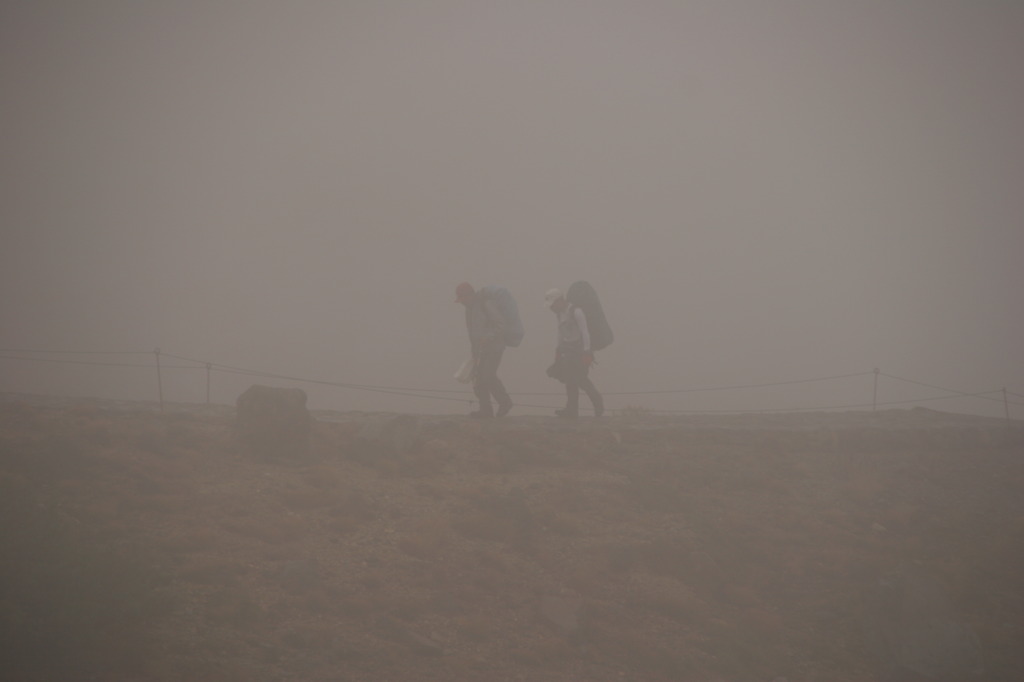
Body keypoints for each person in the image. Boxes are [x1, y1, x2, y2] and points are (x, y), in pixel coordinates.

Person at [455, 282, 514, 418]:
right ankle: (485, 410)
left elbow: (501, 324)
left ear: (470, 295)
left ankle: (505, 402)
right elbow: (472, 333)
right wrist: (474, 351)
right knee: (478, 379)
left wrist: (489, 337)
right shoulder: (468, 309)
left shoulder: (485, 304)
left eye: (463, 299)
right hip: (479, 350)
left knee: (488, 376)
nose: (462, 303)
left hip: (494, 348)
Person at [544, 288, 604, 418]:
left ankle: (597, 403)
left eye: (553, 305)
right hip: (567, 350)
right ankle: (572, 410)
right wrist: (558, 350)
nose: (551, 308)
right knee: (570, 380)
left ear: (560, 301)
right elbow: (560, 332)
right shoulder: (559, 314)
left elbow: (584, 331)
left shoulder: (576, 311)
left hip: (580, 351)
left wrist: (587, 352)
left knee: (581, 379)